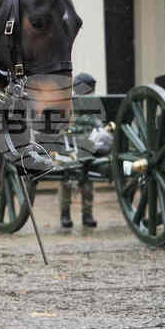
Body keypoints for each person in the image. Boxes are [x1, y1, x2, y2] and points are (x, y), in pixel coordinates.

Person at [59, 72, 111, 228]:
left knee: (87, 183)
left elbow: (99, 123)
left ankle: (87, 215)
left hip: (88, 146)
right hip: (71, 146)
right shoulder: (69, 103)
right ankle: (65, 215)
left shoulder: (94, 104)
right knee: (67, 180)